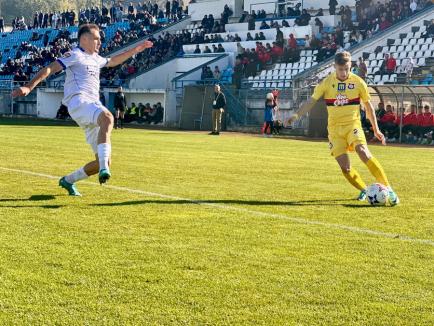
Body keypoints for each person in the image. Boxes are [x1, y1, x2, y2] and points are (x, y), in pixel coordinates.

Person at [11, 23, 153, 196]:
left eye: (100, 39)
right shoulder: (75, 55)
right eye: (96, 39)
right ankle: (103, 170)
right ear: (84, 39)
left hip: (91, 105)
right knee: (108, 117)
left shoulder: (96, 58)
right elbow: (50, 68)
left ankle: (68, 180)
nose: (100, 42)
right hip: (78, 101)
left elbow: (114, 60)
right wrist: (28, 86)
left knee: (104, 161)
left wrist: (136, 49)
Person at [289, 52, 400, 205]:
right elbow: (311, 101)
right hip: (334, 130)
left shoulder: (359, 82)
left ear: (350, 66)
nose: (344, 73)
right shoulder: (327, 83)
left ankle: (389, 189)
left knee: (363, 152)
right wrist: (296, 115)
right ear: (335, 67)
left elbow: (368, 107)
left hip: (352, 125)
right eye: (341, 69)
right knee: (345, 168)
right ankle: (365, 190)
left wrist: (376, 129)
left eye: (347, 69)